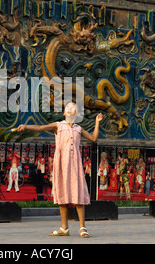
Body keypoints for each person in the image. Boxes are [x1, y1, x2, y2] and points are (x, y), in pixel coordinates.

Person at [17, 102, 103, 238]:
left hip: (75, 165)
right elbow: (40, 128)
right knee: (62, 194)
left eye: (73, 107)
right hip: (61, 165)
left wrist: (97, 122)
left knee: (77, 193)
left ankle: (82, 227)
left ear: (77, 114)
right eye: (68, 107)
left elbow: (93, 138)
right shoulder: (58, 126)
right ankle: (64, 228)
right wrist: (26, 126)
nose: (70, 108)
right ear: (64, 113)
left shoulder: (78, 129)